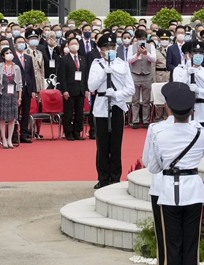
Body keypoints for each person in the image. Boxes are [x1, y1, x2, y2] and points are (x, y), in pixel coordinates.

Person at [143, 81, 204, 265]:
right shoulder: (200, 132)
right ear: (191, 110)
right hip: (193, 191)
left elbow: (152, 167)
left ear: (169, 107)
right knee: (191, 247)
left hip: (168, 191)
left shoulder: (157, 131)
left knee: (171, 247)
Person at [89, 32, 134, 189]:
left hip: (117, 105)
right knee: (102, 145)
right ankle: (103, 178)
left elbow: (130, 89)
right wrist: (103, 72)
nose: (110, 50)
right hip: (101, 106)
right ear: (101, 50)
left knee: (116, 144)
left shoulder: (122, 64)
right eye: (107, 47)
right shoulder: (96, 65)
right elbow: (91, 86)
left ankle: (115, 177)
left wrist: (116, 94)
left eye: (112, 47)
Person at [172, 40, 204, 127]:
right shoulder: (179, 70)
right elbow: (177, 89)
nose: (198, 56)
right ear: (187, 55)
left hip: (202, 111)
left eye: (201, 53)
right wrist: (186, 74)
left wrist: (199, 90)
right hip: (185, 111)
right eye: (195, 53)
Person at [57, 36, 87, 140]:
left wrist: (86, 89)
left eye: (76, 43)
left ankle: (77, 132)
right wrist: (64, 90)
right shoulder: (64, 59)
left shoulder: (82, 59)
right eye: (72, 44)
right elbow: (62, 76)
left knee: (79, 112)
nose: (74, 45)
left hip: (80, 89)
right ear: (68, 46)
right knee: (68, 112)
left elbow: (85, 75)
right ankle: (68, 132)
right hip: (69, 90)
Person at [0, 43, 22, 148]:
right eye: (7, 53)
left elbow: (19, 83)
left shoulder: (16, 68)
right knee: (2, 118)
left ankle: (10, 139)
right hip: (3, 94)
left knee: (12, 118)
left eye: (11, 53)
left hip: (13, 95)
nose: (9, 55)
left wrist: (19, 97)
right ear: (2, 56)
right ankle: (4, 138)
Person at [129, 35, 157, 128]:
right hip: (135, 74)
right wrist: (137, 54)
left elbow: (154, 59)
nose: (142, 41)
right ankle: (135, 120)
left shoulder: (151, 47)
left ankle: (146, 120)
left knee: (146, 100)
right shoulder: (131, 47)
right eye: (140, 39)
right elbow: (129, 60)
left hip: (147, 75)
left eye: (143, 39)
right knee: (135, 100)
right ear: (136, 39)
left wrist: (146, 54)